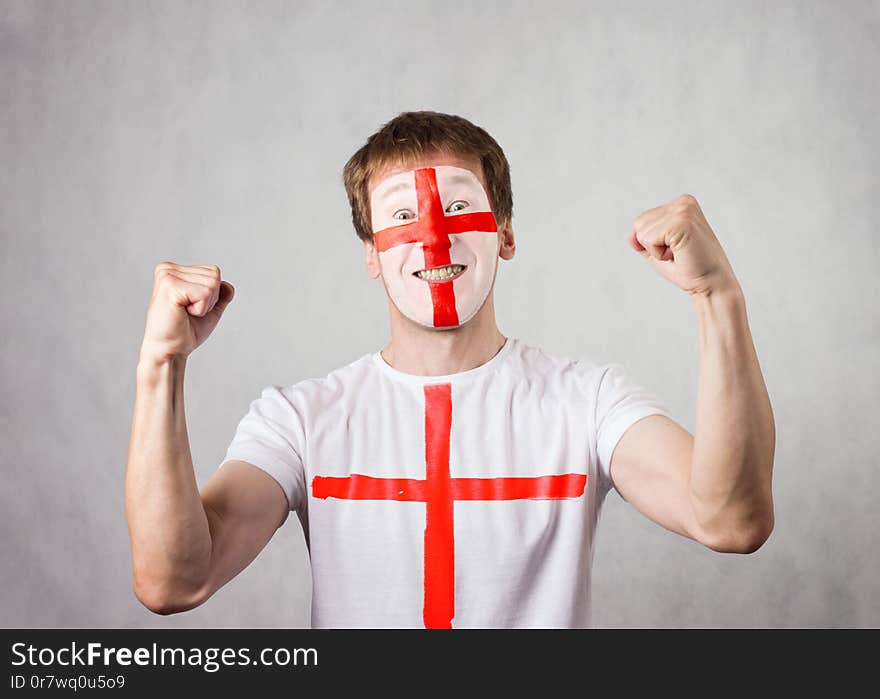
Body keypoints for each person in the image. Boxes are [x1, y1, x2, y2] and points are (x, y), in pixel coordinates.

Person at [124, 111, 775, 628]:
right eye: (403, 217)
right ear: (373, 255)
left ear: (506, 235)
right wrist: (162, 365)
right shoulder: (299, 420)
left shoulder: (587, 402)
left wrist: (717, 297)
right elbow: (174, 578)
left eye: (459, 207)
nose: (434, 236)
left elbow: (731, 518)